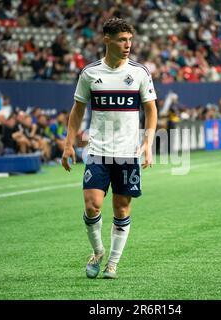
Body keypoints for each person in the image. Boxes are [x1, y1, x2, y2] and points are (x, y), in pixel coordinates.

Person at [61, 18, 157, 279]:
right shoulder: (90, 73)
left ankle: (112, 263)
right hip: (98, 151)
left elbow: (151, 110)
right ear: (107, 40)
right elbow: (77, 110)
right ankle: (98, 251)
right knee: (92, 206)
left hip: (127, 153)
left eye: (130, 40)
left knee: (121, 209)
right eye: (122, 40)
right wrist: (68, 143)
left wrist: (148, 143)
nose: (127, 45)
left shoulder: (139, 73)